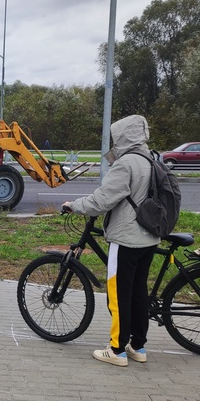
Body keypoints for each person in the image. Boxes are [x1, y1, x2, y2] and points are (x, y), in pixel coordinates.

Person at [62, 115, 160, 367]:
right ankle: (138, 346)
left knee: (118, 295)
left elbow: (102, 200)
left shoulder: (126, 164)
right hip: (148, 237)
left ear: (124, 136)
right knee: (139, 292)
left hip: (126, 238)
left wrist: (74, 205)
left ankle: (116, 350)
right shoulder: (150, 159)